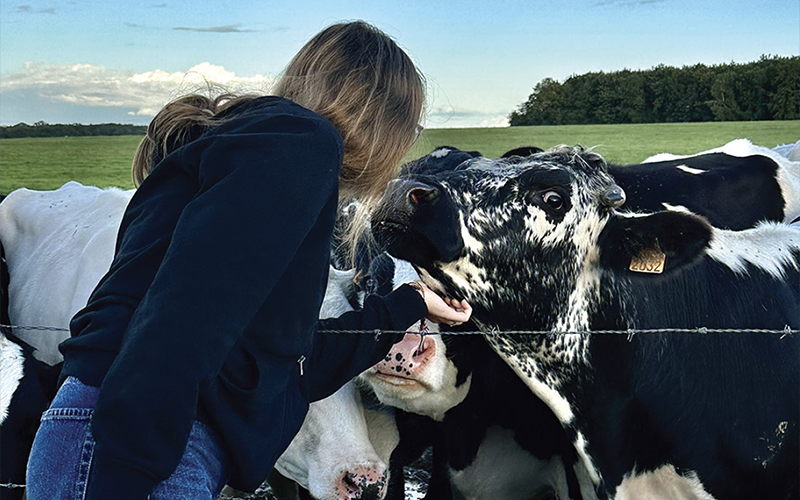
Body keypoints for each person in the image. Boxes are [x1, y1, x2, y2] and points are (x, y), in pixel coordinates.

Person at [25, 21, 471, 500]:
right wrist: (132, 469)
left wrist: (411, 303)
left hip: (119, 434)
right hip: (132, 448)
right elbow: (184, 315)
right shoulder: (300, 144)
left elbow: (281, 365)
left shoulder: (258, 158)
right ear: (384, 120)